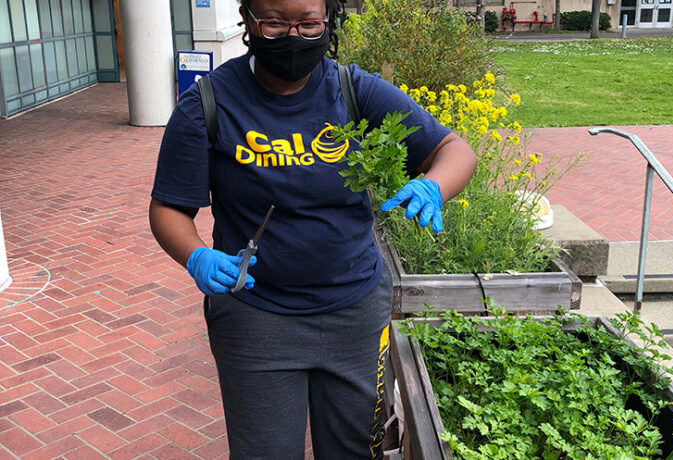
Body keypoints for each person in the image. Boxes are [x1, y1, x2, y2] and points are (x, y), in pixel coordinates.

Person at [149, 0, 477, 458]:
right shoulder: (207, 103)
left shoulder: (352, 89)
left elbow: (453, 149)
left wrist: (432, 187)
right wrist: (196, 254)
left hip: (355, 313)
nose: (293, 38)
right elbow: (168, 208)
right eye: (275, 24)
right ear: (247, 20)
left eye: (308, 24)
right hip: (256, 318)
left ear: (327, 21)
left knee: (354, 449)